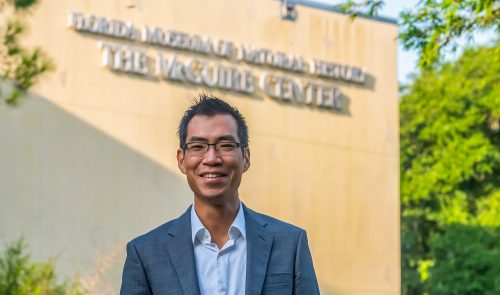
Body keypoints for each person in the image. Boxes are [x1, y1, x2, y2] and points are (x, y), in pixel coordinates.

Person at [120, 94, 320, 295]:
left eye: (225, 145)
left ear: (246, 158)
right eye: (198, 146)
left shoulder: (290, 245)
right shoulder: (145, 254)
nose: (212, 158)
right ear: (182, 160)